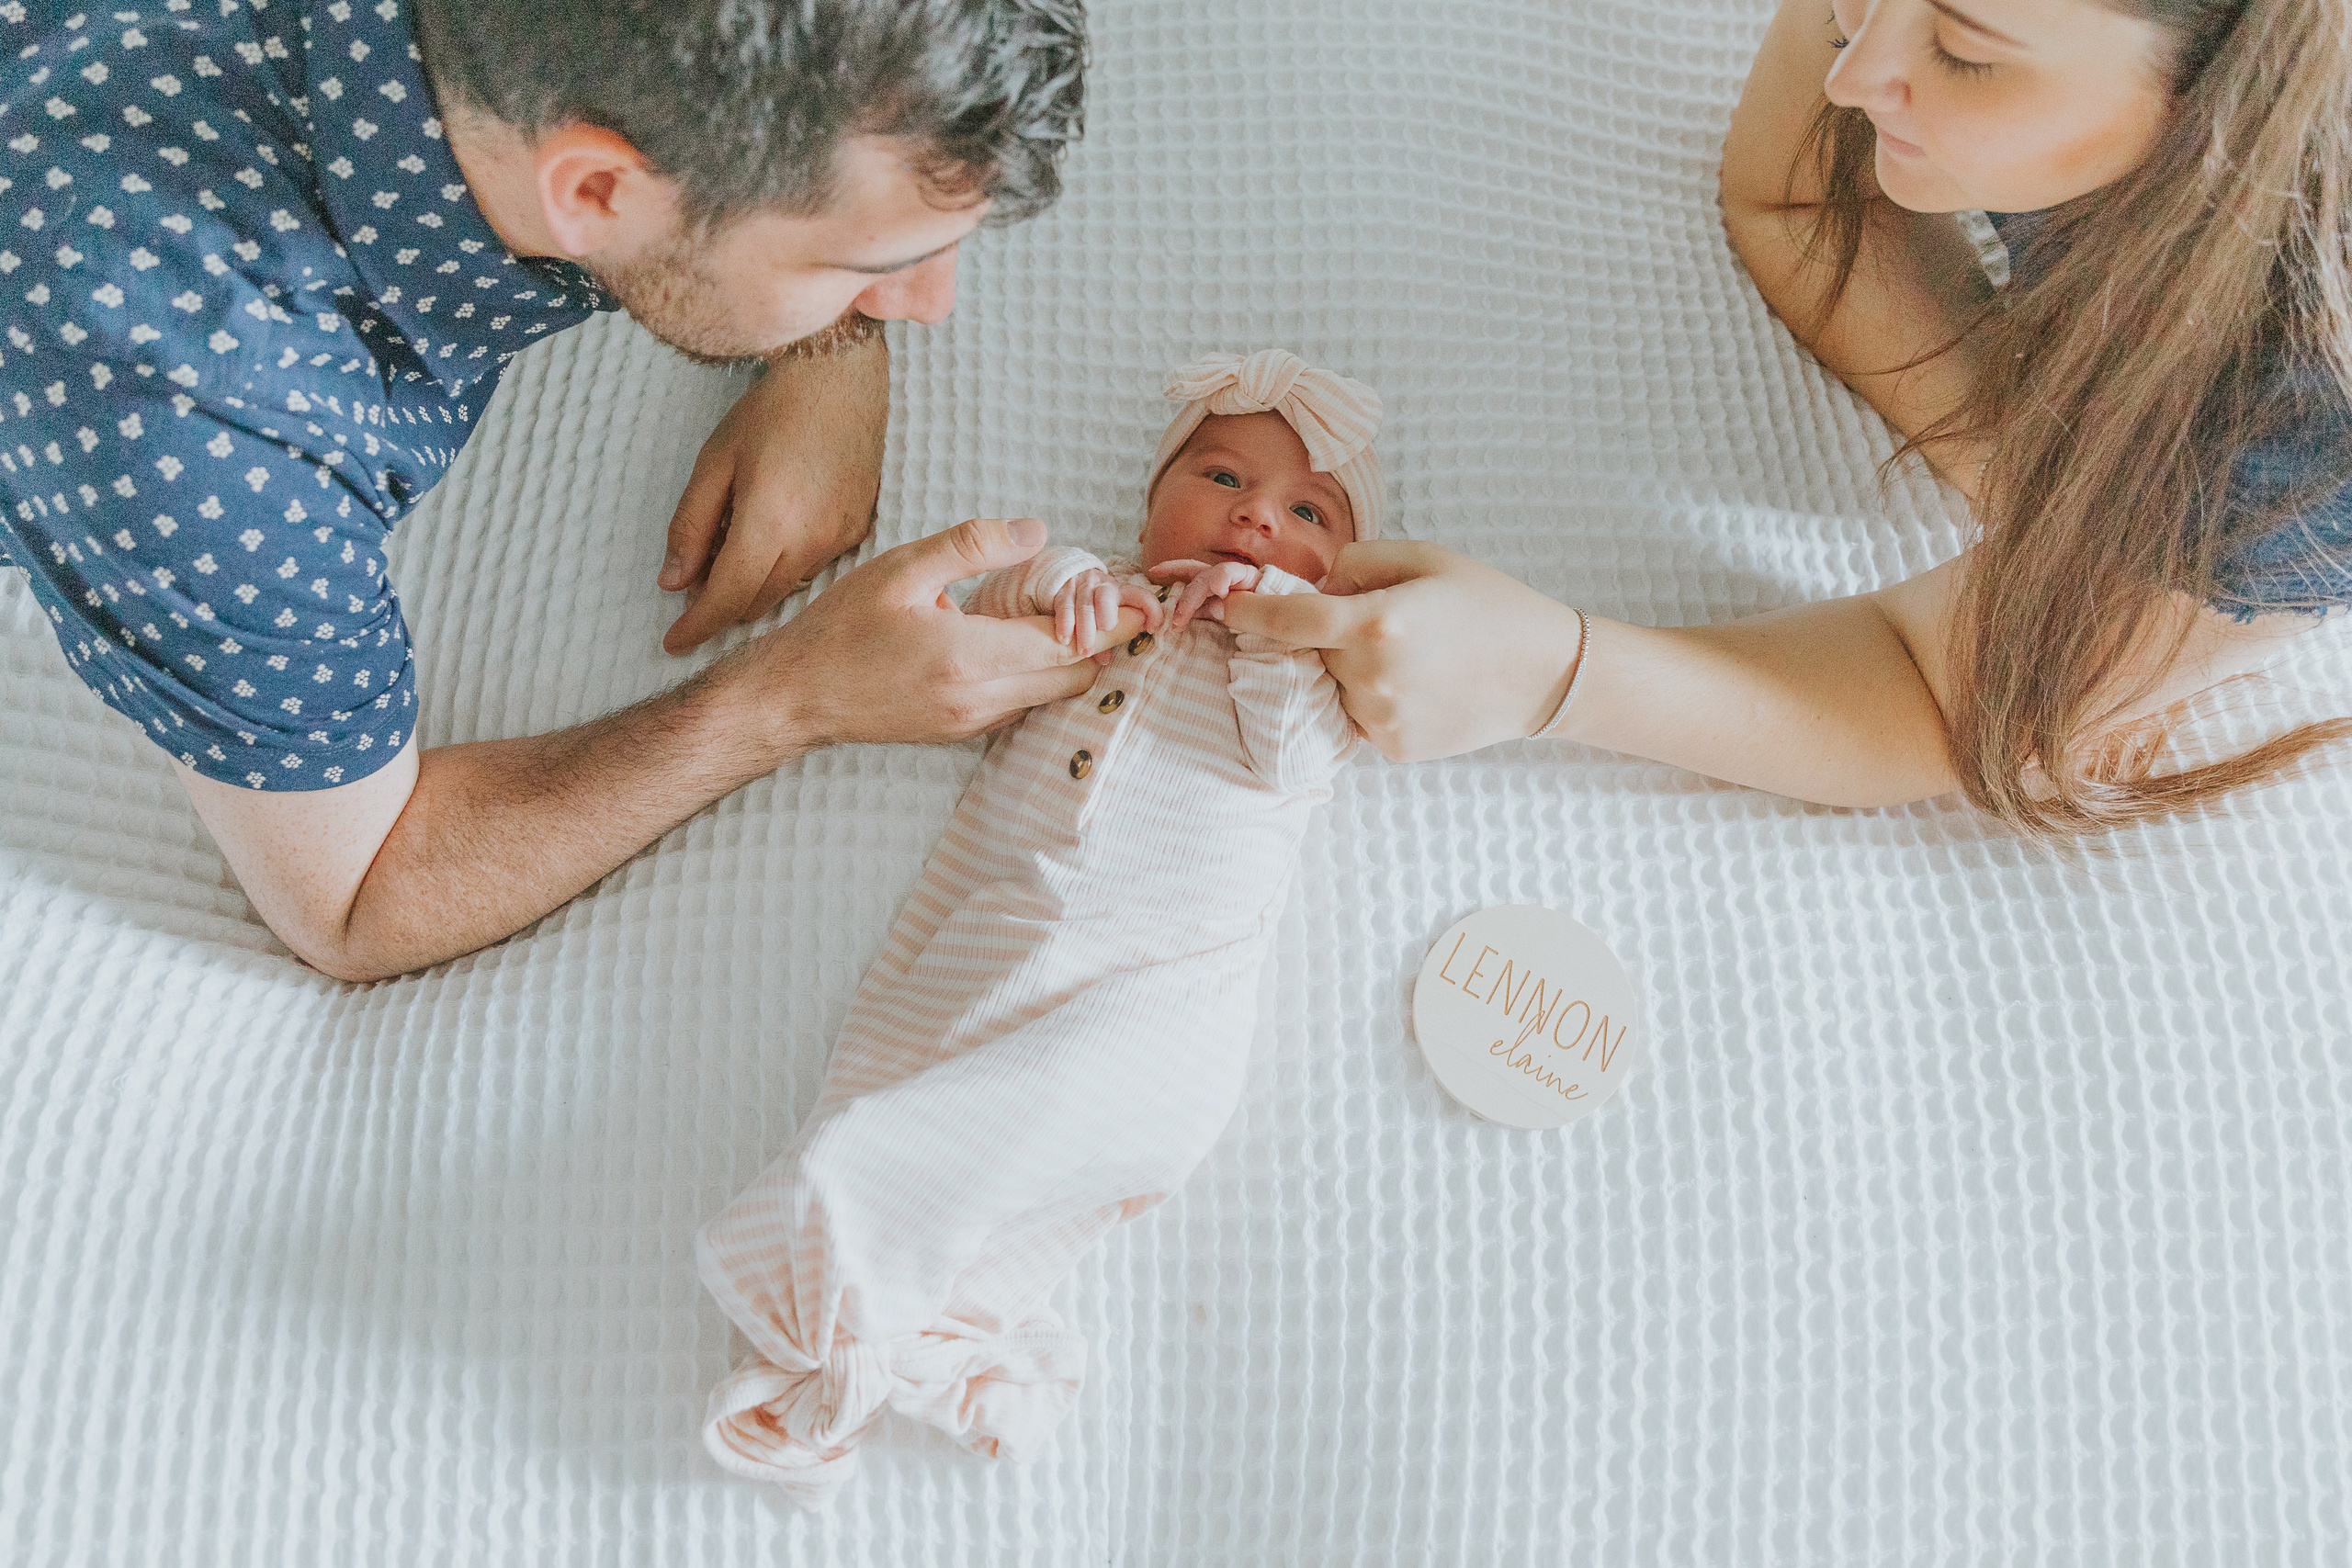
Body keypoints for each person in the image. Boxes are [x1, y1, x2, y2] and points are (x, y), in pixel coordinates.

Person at [0, 0, 1106, 983]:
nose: (931, 304)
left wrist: (830, 341)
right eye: (870, 265)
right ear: (595, 191)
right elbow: (356, 899)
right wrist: (794, 695)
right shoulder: (203, 424)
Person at [1225, 0, 2352, 836]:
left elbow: (1954, 699)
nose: (1852, 67)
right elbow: (1795, 193)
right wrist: (2048, 477)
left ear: (2230, 106)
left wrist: (1550, 671)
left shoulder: (2301, 436)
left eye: (1962, 52)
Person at [695, 350, 1376, 1504]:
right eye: (1221, 476)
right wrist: (1064, 586)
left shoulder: (1309, 670)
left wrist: (1272, 627)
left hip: (1157, 988)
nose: (1257, 513)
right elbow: (988, 629)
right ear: (1157, 497)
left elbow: (1296, 759)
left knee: (1016, 1120)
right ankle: (931, 1334)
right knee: (903, 1095)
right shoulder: (1108, 595)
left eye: (1305, 511)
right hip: (999, 931)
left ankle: (831, 1298)